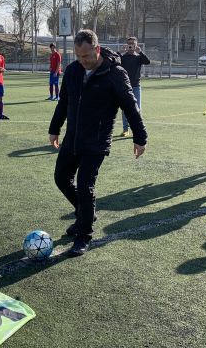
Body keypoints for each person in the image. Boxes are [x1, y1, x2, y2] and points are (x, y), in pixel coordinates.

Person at [49, 29, 147, 256]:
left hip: (97, 140)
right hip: (72, 137)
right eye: (79, 57)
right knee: (61, 178)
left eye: (87, 56)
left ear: (97, 49)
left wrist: (140, 137)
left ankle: (84, 235)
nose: (83, 61)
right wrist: (54, 129)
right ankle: (85, 213)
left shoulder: (115, 73)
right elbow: (64, 102)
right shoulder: (73, 71)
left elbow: (131, 107)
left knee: (85, 185)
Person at [119, 37, 150, 137]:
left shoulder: (138, 57)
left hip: (136, 86)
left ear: (136, 45)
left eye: (132, 43)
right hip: (125, 87)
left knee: (137, 109)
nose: (130, 45)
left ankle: (137, 130)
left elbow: (147, 61)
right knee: (125, 109)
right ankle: (125, 129)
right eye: (129, 43)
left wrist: (140, 52)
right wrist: (120, 51)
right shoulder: (123, 57)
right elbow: (112, 59)